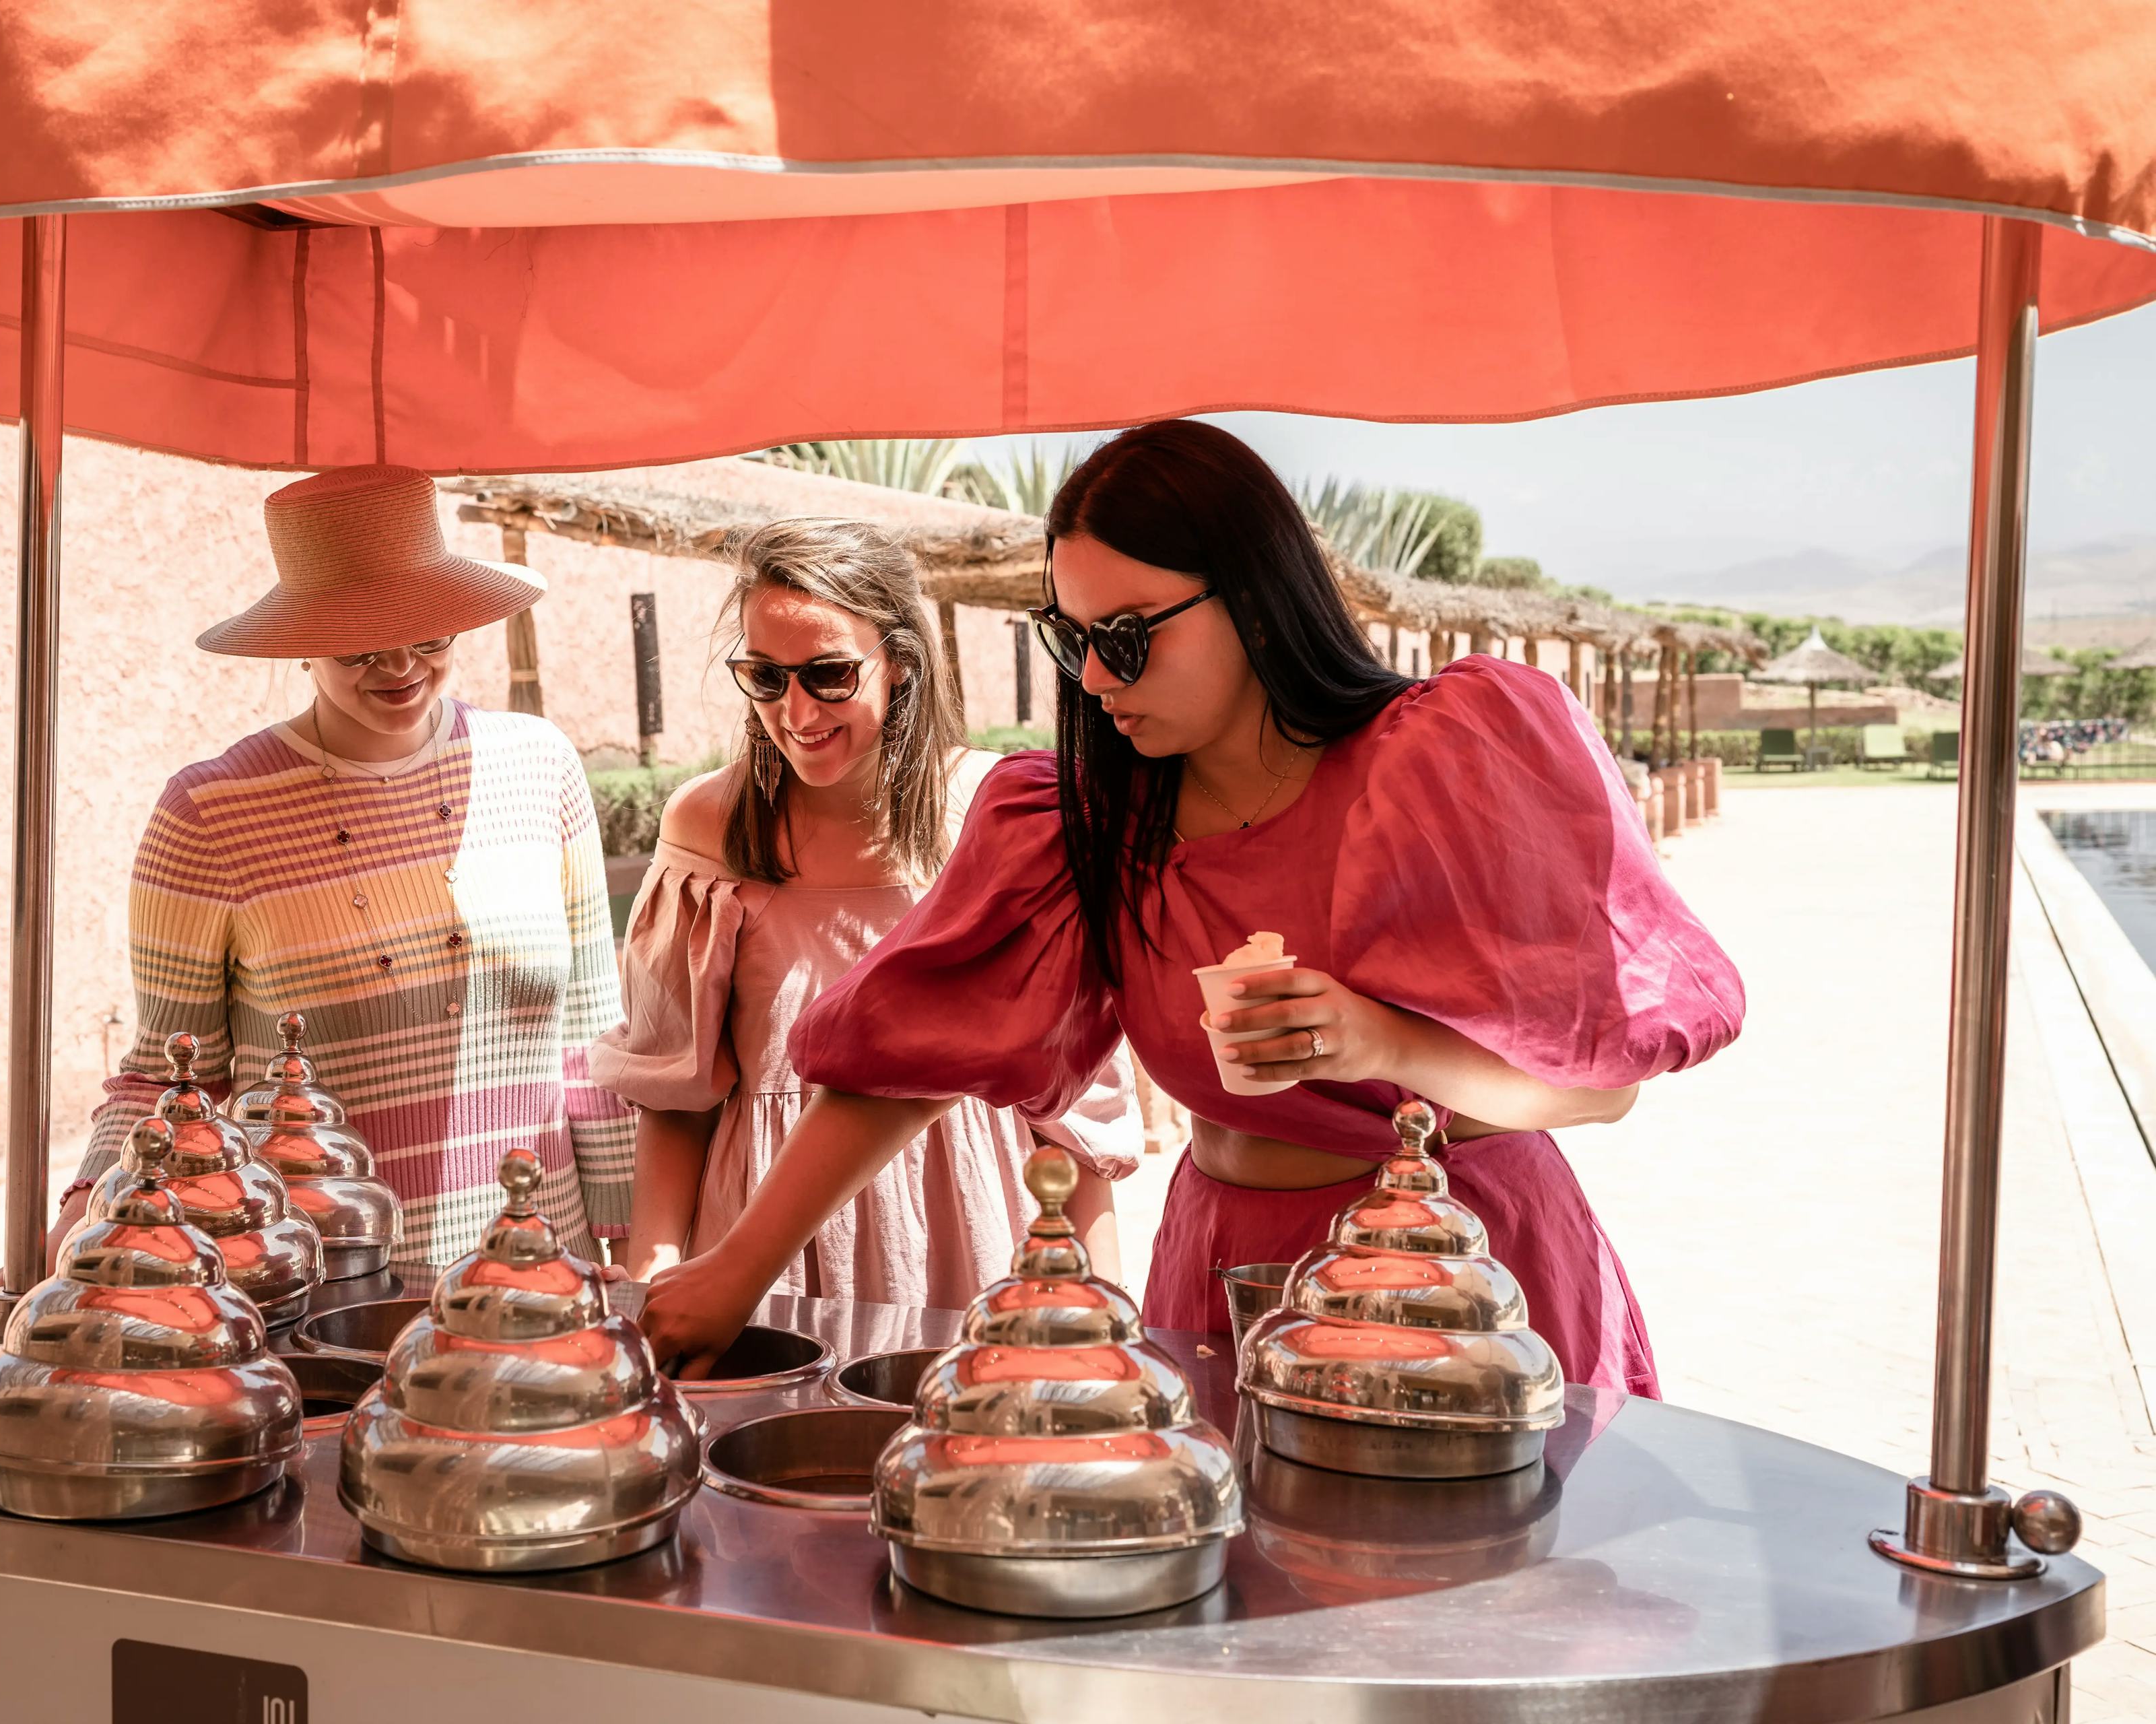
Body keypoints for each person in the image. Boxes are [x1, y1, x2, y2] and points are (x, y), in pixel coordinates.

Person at [641, 422, 1743, 1396]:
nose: (1097, 682)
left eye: (1128, 638)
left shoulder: (1449, 759)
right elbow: (921, 1059)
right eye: (1073, 644)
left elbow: (1604, 1093)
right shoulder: (1088, 827)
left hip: (1466, 1290)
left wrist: (1374, 1038)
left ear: (1252, 593)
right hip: (1226, 1279)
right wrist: (733, 1271)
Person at [52, 465, 635, 1269]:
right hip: (318, 1279)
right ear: (301, 645)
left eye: (429, 636)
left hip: (535, 1265)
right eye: (361, 647)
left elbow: (592, 1038)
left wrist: (626, 1227)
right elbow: (169, 1074)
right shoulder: (210, 811)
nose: (400, 668)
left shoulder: (541, 765)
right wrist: (87, 1206)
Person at [593, 518, 1137, 1321]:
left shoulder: (1003, 810)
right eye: (765, 677)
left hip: (976, 1224)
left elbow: (1072, 1107)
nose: (797, 709)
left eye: (829, 674)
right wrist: (654, 1274)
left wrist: (1104, 1293)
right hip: (763, 1245)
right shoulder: (710, 822)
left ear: (902, 663)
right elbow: (678, 1097)